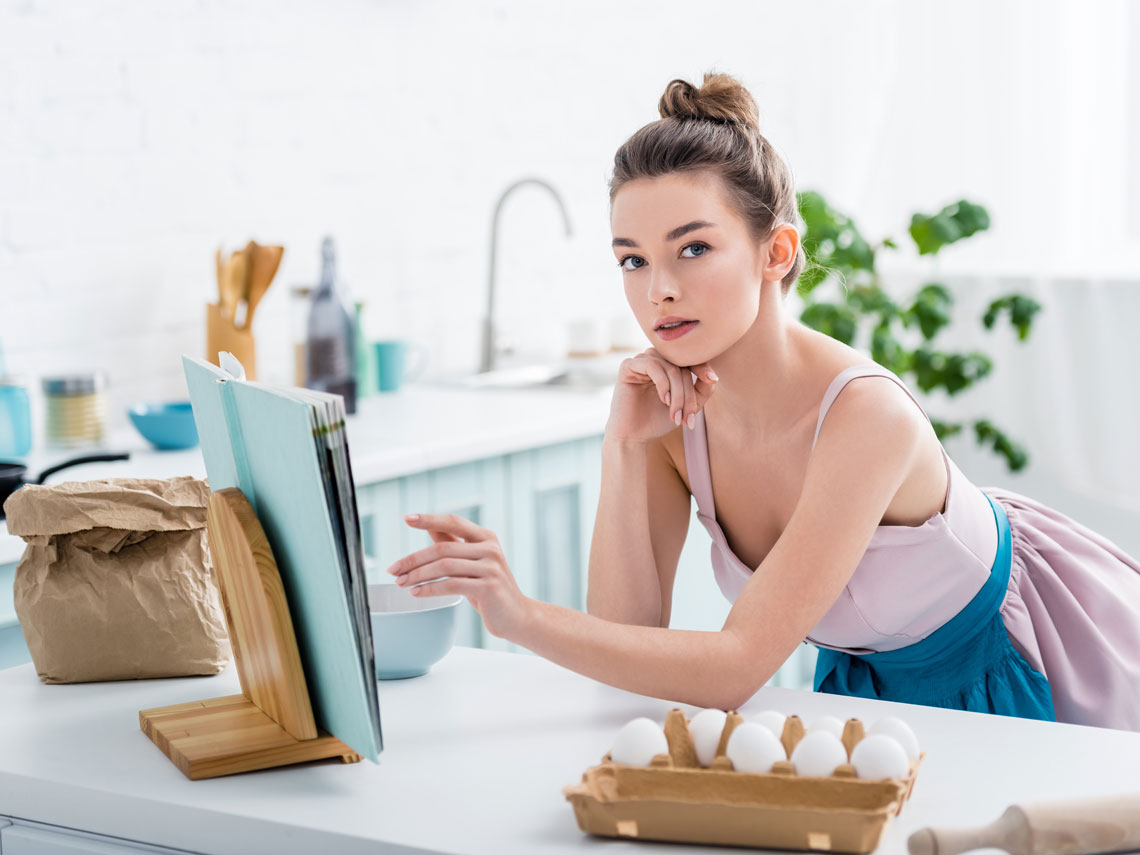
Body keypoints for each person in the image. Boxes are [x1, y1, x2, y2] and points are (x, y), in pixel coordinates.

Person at [386, 71, 1140, 732]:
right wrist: (622, 444)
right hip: (870, 692)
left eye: (693, 247)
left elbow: (735, 666)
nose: (660, 290)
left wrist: (518, 615)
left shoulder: (864, 414)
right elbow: (625, 641)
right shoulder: (668, 421)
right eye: (632, 260)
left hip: (1023, 663)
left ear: (775, 253)